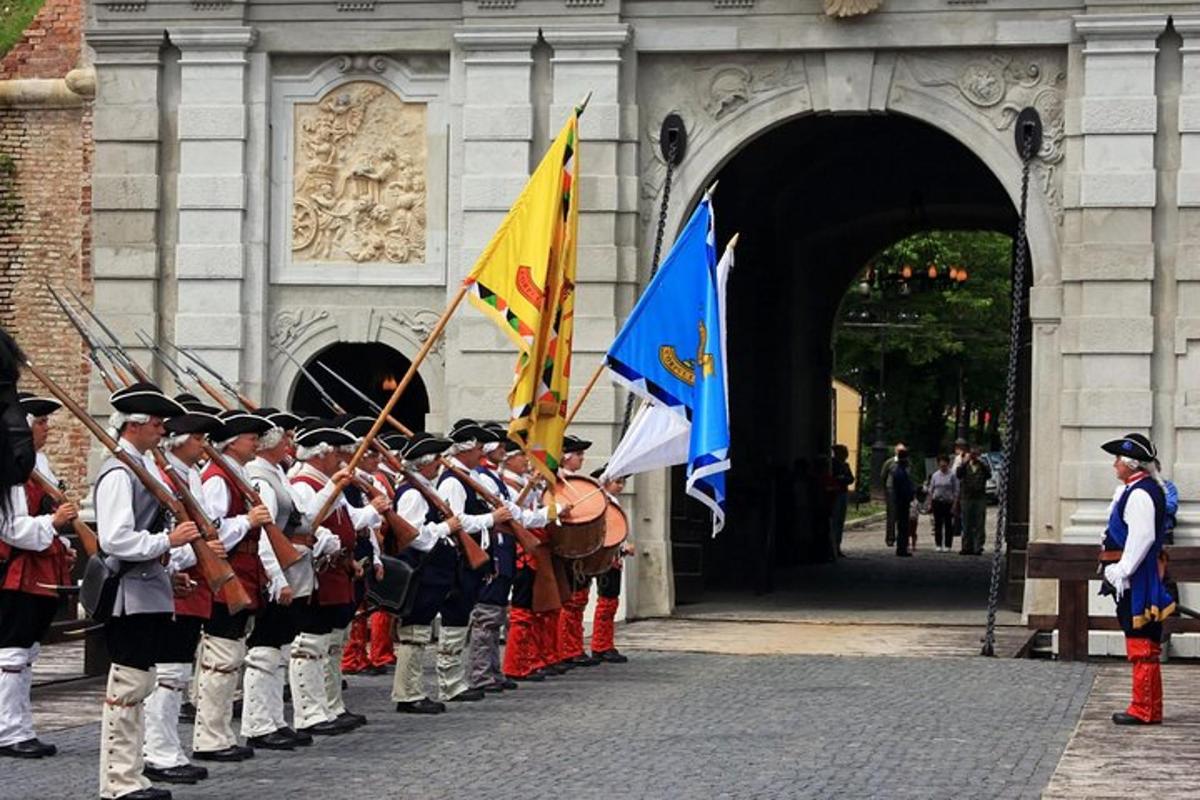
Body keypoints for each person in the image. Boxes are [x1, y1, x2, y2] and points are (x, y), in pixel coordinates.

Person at [93, 383, 197, 800]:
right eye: (155, 423)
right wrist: (166, 544)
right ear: (134, 426)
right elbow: (116, 539)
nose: (161, 430)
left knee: (140, 684)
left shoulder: (139, 466)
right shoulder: (120, 471)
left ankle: (132, 775)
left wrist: (165, 563)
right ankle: (118, 782)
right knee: (127, 688)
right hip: (127, 592)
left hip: (146, 586)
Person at [143, 407, 225, 785]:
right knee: (167, 672)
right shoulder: (161, 478)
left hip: (192, 582)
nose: (203, 445)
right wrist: (201, 551)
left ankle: (169, 747)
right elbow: (167, 540)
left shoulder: (187, 475)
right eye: (197, 438)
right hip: (172, 579)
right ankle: (157, 751)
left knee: (178, 672)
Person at [288, 422, 383, 732]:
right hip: (319, 569)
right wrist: (338, 546)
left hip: (338, 568)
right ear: (322, 453)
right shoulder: (304, 483)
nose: (344, 459)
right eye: (339, 453)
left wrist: (373, 511)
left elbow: (347, 518)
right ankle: (309, 712)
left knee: (331, 642)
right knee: (310, 643)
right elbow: (308, 525)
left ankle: (330, 705)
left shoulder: (329, 482)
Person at [192, 411, 275, 763]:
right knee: (221, 658)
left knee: (231, 655)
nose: (256, 442)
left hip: (244, 568)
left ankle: (220, 732)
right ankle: (210, 737)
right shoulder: (216, 479)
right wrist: (247, 520)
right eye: (250, 436)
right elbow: (212, 532)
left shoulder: (234, 473)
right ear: (232, 441)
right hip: (228, 571)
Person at [0, 393, 77, 760]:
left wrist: (61, 540)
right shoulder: (12, 468)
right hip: (18, 569)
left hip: (40, 566)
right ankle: (7, 730)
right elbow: (12, 528)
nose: (47, 428)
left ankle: (21, 726)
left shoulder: (35, 463)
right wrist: (55, 523)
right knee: (12, 654)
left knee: (27, 653)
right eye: (41, 422)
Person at [1099, 433, 1175, 725]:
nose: (1114, 464)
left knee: (1141, 643)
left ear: (1131, 464)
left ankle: (1143, 708)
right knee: (1145, 644)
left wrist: (1122, 570)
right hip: (1137, 575)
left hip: (1137, 578)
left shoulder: (1141, 493)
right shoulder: (1137, 489)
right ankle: (1149, 707)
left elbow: (1141, 538)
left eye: (1118, 459)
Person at [435, 420, 511, 702]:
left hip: (472, 559)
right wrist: (492, 519)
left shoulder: (465, 476)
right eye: (478, 446)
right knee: (455, 618)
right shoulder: (454, 481)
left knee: (460, 621)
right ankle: (449, 682)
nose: (482, 451)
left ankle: (455, 681)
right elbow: (457, 520)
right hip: (459, 559)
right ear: (465, 449)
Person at [557, 435, 600, 669]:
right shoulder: (560, 483)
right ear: (566, 456)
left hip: (579, 549)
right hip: (567, 547)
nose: (582, 458)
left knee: (578, 601)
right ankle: (566, 648)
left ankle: (573, 646)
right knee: (569, 602)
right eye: (578, 454)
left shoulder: (576, 482)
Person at [591, 470, 633, 663]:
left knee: (610, 602)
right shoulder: (602, 502)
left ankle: (605, 643)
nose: (621, 485)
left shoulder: (612, 502)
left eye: (622, 482)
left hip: (614, 556)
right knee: (606, 602)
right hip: (606, 556)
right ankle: (600, 645)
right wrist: (623, 546)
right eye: (617, 481)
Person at [955, 446, 991, 555]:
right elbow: (958, 474)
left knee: (979, 523)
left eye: (976, 454)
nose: (974, 456)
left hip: (980, 497)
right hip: (967, 497)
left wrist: (982, 462)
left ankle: (978, 546)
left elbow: (989, 475)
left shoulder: (982, 466)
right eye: (972, 454)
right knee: (966, 523)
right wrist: (965, 462)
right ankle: (966, 546)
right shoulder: (965, 466)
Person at [927, 455, 959, 553]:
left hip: (948, 502)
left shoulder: (952, 475)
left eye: (944, 464)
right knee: (938, 524)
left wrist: (954, 504)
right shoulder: (935, 475)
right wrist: (930, 503)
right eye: (941, 464)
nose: (943, 466)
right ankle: (938, 544)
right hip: (937, 502)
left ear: (948, 464)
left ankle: (948, 544)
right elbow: (931, 490)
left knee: (948, 524)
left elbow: (956, 490)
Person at [828, 445, 854, 558]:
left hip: (843, 493)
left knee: (840, 521)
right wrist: (840, 479)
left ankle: (837, 546)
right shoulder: (833, 464)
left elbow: (851, 478)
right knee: (835, 520)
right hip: (836, 494)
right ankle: (833, 547)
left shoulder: (845, 465)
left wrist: (844, 478)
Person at [880, 443, 905, 548]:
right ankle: (890, 538)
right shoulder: (890, 462)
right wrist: (887, 487)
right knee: (891, 515)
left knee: (902, 515)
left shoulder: (907, 462)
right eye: (899, 451)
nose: (901, 453)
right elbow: (883, 475)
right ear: (895, 451)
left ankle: (902, 538)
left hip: (902, 490)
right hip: (892, 489)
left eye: (903, 451)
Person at [891, 448, 914, 558]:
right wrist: (911, 493)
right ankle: (901, 548)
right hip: (902, 501)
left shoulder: (900, 470)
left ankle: (902, 547)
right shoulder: (900, 472)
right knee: (903, 526)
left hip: (901, 501)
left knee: (903, 525)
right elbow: (904, 488)